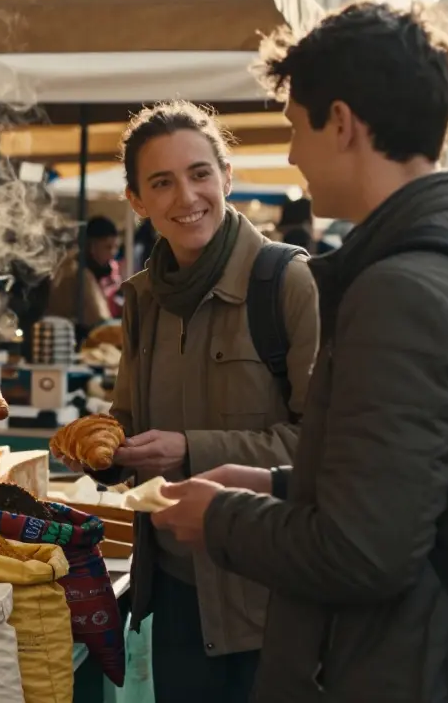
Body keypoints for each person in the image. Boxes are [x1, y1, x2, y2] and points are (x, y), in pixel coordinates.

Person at [151, 0, 448, 701]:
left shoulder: (403, 292)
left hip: (405, 670)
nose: (295, 154)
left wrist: (219, 518)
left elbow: (364, 553)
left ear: (341, 123)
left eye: (297, 128)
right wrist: (277, 485)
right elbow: (431, 487)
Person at [77, 101, 320, 703]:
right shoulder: (143, 300)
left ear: (226, 177)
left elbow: (325, 448)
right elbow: (130, 424)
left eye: (200, 173)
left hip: (271, 598)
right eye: (162, 182)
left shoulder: (289, 283)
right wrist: (107, 450)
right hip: (177, 597)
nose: (187, 196)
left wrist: (190, 450)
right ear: (136, 201)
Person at [47, 216, 123, 327]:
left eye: (115, 247)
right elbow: (98, 320)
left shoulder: (81, 270)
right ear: (92, 246)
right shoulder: (76, 273)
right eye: (107, 247)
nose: (112, 253)